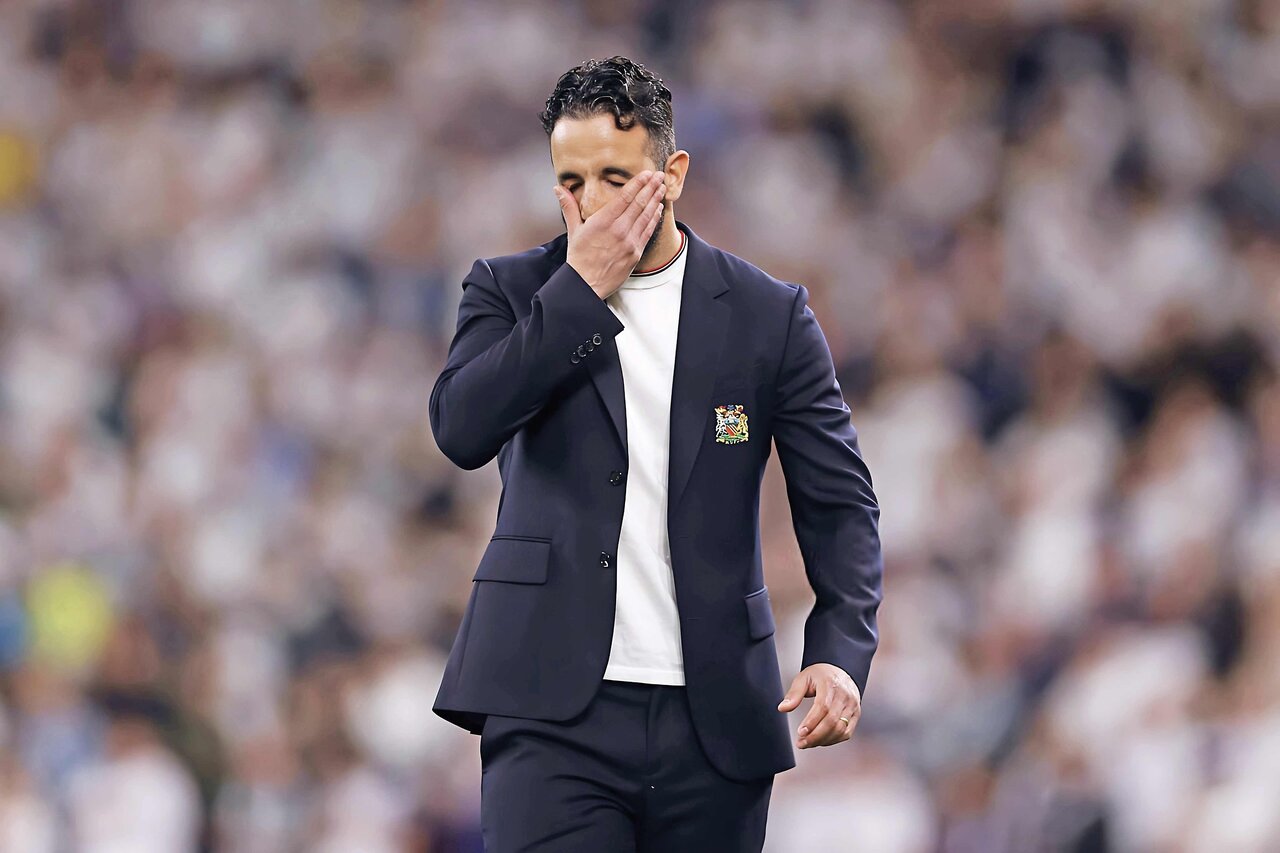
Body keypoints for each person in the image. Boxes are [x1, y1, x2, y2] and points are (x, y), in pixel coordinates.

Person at [428, 55, 883, 853]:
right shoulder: (509, 290)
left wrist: (840, 652)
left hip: (715, 721)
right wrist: (577, 293)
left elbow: (841, 502)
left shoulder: (768, 315)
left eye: (616, 177)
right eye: (572, 182)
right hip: (548, 709)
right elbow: (462, 429)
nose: (592, 202)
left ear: (672, 174)